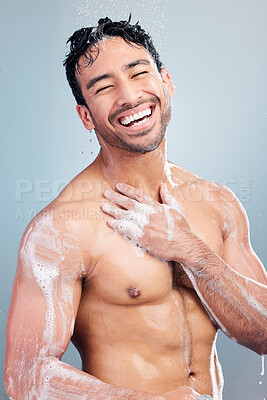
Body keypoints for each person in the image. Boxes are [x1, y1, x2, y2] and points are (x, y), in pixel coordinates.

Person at [5, 16, 267, 400]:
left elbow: (262, 334)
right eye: (104, 87)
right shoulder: (61, 229)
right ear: (85, 116)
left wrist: (190, 250)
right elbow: (26, 375)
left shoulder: (217, 204)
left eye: (138, 73)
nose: (128, 97)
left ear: (166, 82)